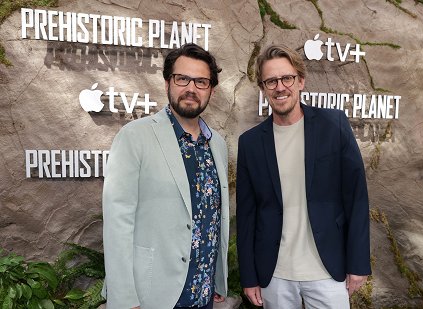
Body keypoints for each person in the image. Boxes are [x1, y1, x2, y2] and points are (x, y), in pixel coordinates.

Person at [236, 44, 371, 309]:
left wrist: (358, 263)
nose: (280, 87)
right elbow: (247, 215)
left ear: (301, 81)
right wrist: (249, 276)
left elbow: (356, 198)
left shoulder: (335, 126)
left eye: (286, 78)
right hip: (274, 274)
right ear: (263, 89)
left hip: (328, 269)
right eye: (271, 81)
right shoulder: (250, 143)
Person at [102, 43, 229, 309]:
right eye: (182, 78)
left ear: (212, 91)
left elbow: (215, 219)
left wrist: (217, 279)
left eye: (201, 82)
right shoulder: (135, 136)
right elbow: (117, 223)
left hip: (203, 294)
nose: (191, 88)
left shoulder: (216, 143)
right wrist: (125, 299)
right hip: (154, 296)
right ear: (167, 83)